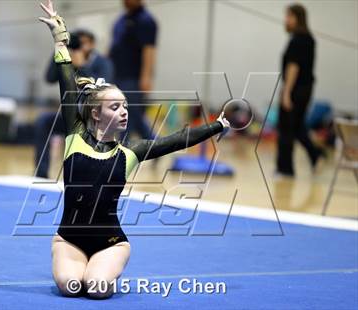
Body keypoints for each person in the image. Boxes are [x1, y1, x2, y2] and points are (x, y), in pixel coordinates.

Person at [39, 0, 229, 299]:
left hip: (110, 241)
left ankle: (102, 266)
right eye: (116, 106)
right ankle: (75, 264)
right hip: (69, 240)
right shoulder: (75, 135)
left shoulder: (131, 152)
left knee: (98, 289)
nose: (125, 112)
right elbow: (66, 84)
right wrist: (60, 38)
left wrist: (217, 125)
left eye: (126, 106)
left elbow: (176, 139)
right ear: (96, 114)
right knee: (70, 286)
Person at [35, 29, 114, 178]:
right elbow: (49, 78)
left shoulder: (103, 63)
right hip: (71, 116)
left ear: (92, 45)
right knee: (43, 122)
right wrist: (59, 49)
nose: (77, 47)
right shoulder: (67, 60)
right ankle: (41, 174)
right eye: (75, 44)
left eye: (82, 44)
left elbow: (102, 86)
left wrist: (82, 66)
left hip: (94, 121)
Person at [276, 3, 323, 177]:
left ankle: (285, 169)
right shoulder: (307, 38)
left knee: (286, 128)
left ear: (298, 18)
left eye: (289, 16)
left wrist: (286, 92)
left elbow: (293, 67)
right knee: (297, 127)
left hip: (296, 89)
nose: (286, 20)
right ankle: (315, 154)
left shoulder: (299, 40)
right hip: (304, 89)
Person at [109, 0, 158, 143]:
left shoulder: (146, 21)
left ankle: (125, 147)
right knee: (131, 115)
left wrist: (146, 77)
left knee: (129, 114)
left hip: (133, 77)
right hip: (117, 74)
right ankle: (154, 144)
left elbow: (149, 50)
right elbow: (114, 46)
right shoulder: (122, 20)